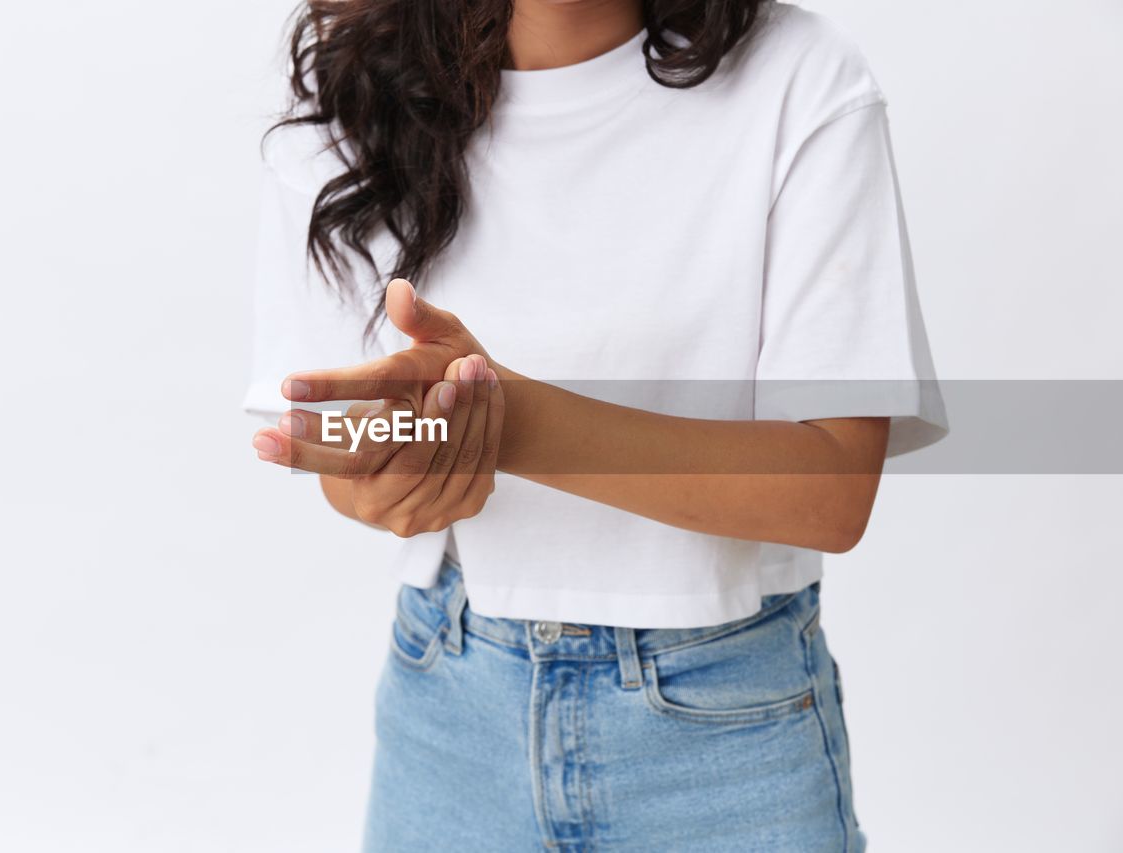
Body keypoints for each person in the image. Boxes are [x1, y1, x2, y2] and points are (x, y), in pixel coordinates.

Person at [246, 0, 947, 849]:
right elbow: (345, 456)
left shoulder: (800, 77)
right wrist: (389, 474)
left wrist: (509, 423)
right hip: (451, 713)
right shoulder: (358, 91)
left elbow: (832, 490)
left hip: (726, 732)